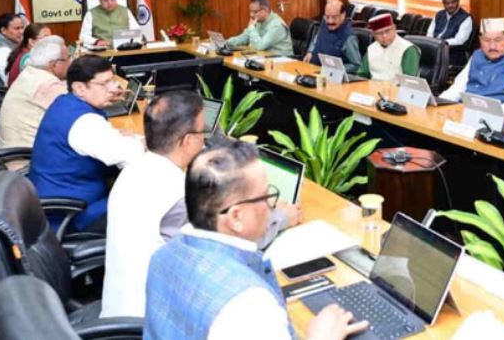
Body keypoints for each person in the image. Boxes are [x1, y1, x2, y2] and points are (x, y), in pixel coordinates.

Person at [101, 92, 302, 318]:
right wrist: (282, 217)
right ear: (187, 141)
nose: (204, 140)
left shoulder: (135, 169)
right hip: (152, 316)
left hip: (122, 303)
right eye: (202, 133)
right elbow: (233, 240)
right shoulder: (178, 194)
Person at [145, 136, 367, 339]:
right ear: (236, 217)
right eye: (266, 196)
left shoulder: (162, 255)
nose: (272, 205)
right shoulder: (250, 306)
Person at [28, 55, 145, 232]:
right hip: (73, 215)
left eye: (112, 80)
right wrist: (141, 142)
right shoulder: (85, 122)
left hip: (63, 196)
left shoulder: (66, 102)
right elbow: (133, 158)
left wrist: (127, 139)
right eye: (104, 84)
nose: (113, 88)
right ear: (80, 88)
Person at [439, 22, 504, 115]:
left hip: (498, 117)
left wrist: (485, 113)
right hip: (464, 111)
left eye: (498, 40)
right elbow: (458, 87)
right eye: (486, 40)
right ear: (480, 40)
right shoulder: (477, 56)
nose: (492, 46)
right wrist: (438, 103)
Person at [0, 36, 70, 150]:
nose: (70, 62)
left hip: (13, 149)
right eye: (68, 58)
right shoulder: (47, 85)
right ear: (54, 64)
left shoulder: (30, 72)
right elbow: (77, 111)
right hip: (28, 155)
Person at [303, 0, 362, 73]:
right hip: (313, 69)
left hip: (331, 76)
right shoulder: (324, 23)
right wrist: (310, 52)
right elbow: (317, 38)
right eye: (327, 17)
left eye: (334, 17)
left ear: (343, 15)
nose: (330, 21)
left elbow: (356, 65)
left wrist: (337, 69)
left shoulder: (349, 37)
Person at [356, 13, 420, 81]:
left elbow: (409, 82)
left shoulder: (408, 49)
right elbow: (362, 75)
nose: (384, 36)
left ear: (394, 28)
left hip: (396, 87)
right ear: (374, 35)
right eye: (379, 33)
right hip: (373, 86)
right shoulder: (371, 48)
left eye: (387, 31)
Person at [226, 0, 293, 56]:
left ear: (265, 11)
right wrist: (227, 42)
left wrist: (251, 27)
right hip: (265, 57)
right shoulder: (259, 21)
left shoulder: (277, 25)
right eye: (250, 11)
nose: (251, 15)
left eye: (255, 12)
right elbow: (244, 37)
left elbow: (259, 46)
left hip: (282, 60)